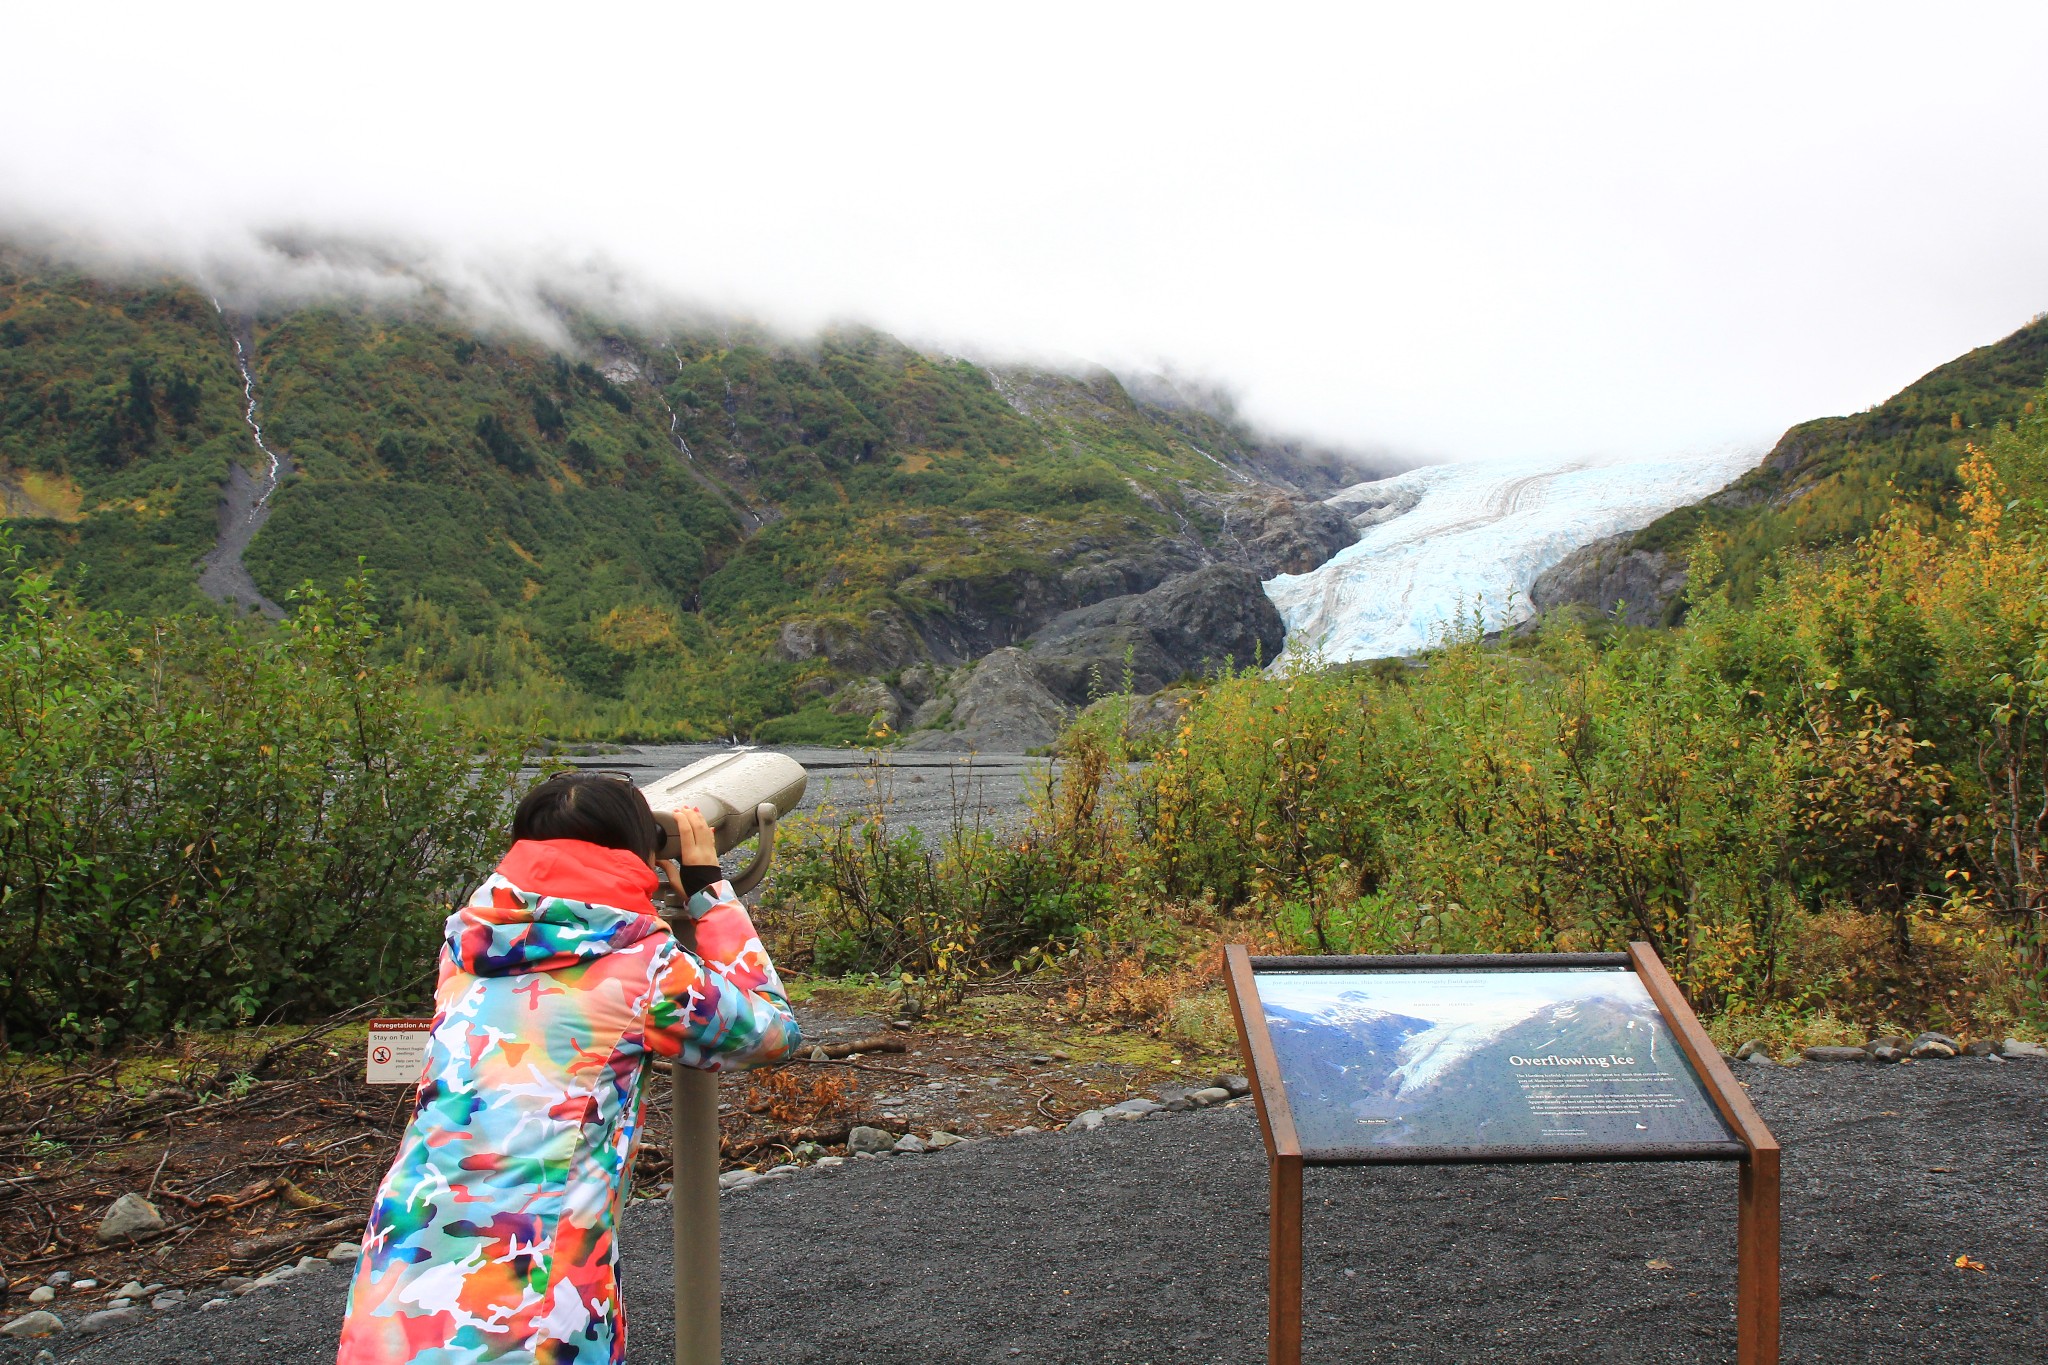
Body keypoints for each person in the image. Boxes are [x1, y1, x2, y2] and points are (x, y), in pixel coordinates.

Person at [336, 773, 800, 1364]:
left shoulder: (468, 940)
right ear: (640, 846)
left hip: (400, 1264)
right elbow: (773, 1033)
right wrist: (709, 891)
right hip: (532, 1285)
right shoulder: (643, 966)